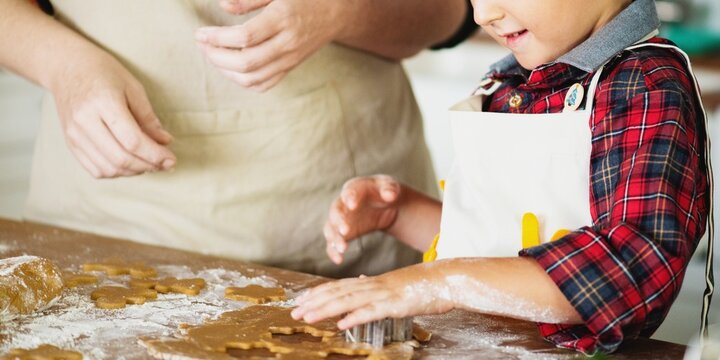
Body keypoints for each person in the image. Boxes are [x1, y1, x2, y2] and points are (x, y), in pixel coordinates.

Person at [291, 0, 713, 354]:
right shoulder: (510, 82)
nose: (482, 14)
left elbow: (634, 264)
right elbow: (498, 244)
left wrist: (438, 282)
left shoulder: (644, 86)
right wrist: (401, 213)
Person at [0, 0, 475, 277]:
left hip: (336, 232)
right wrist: (62, 64)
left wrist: (338, 11)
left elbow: (460, 10)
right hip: (100, 227)